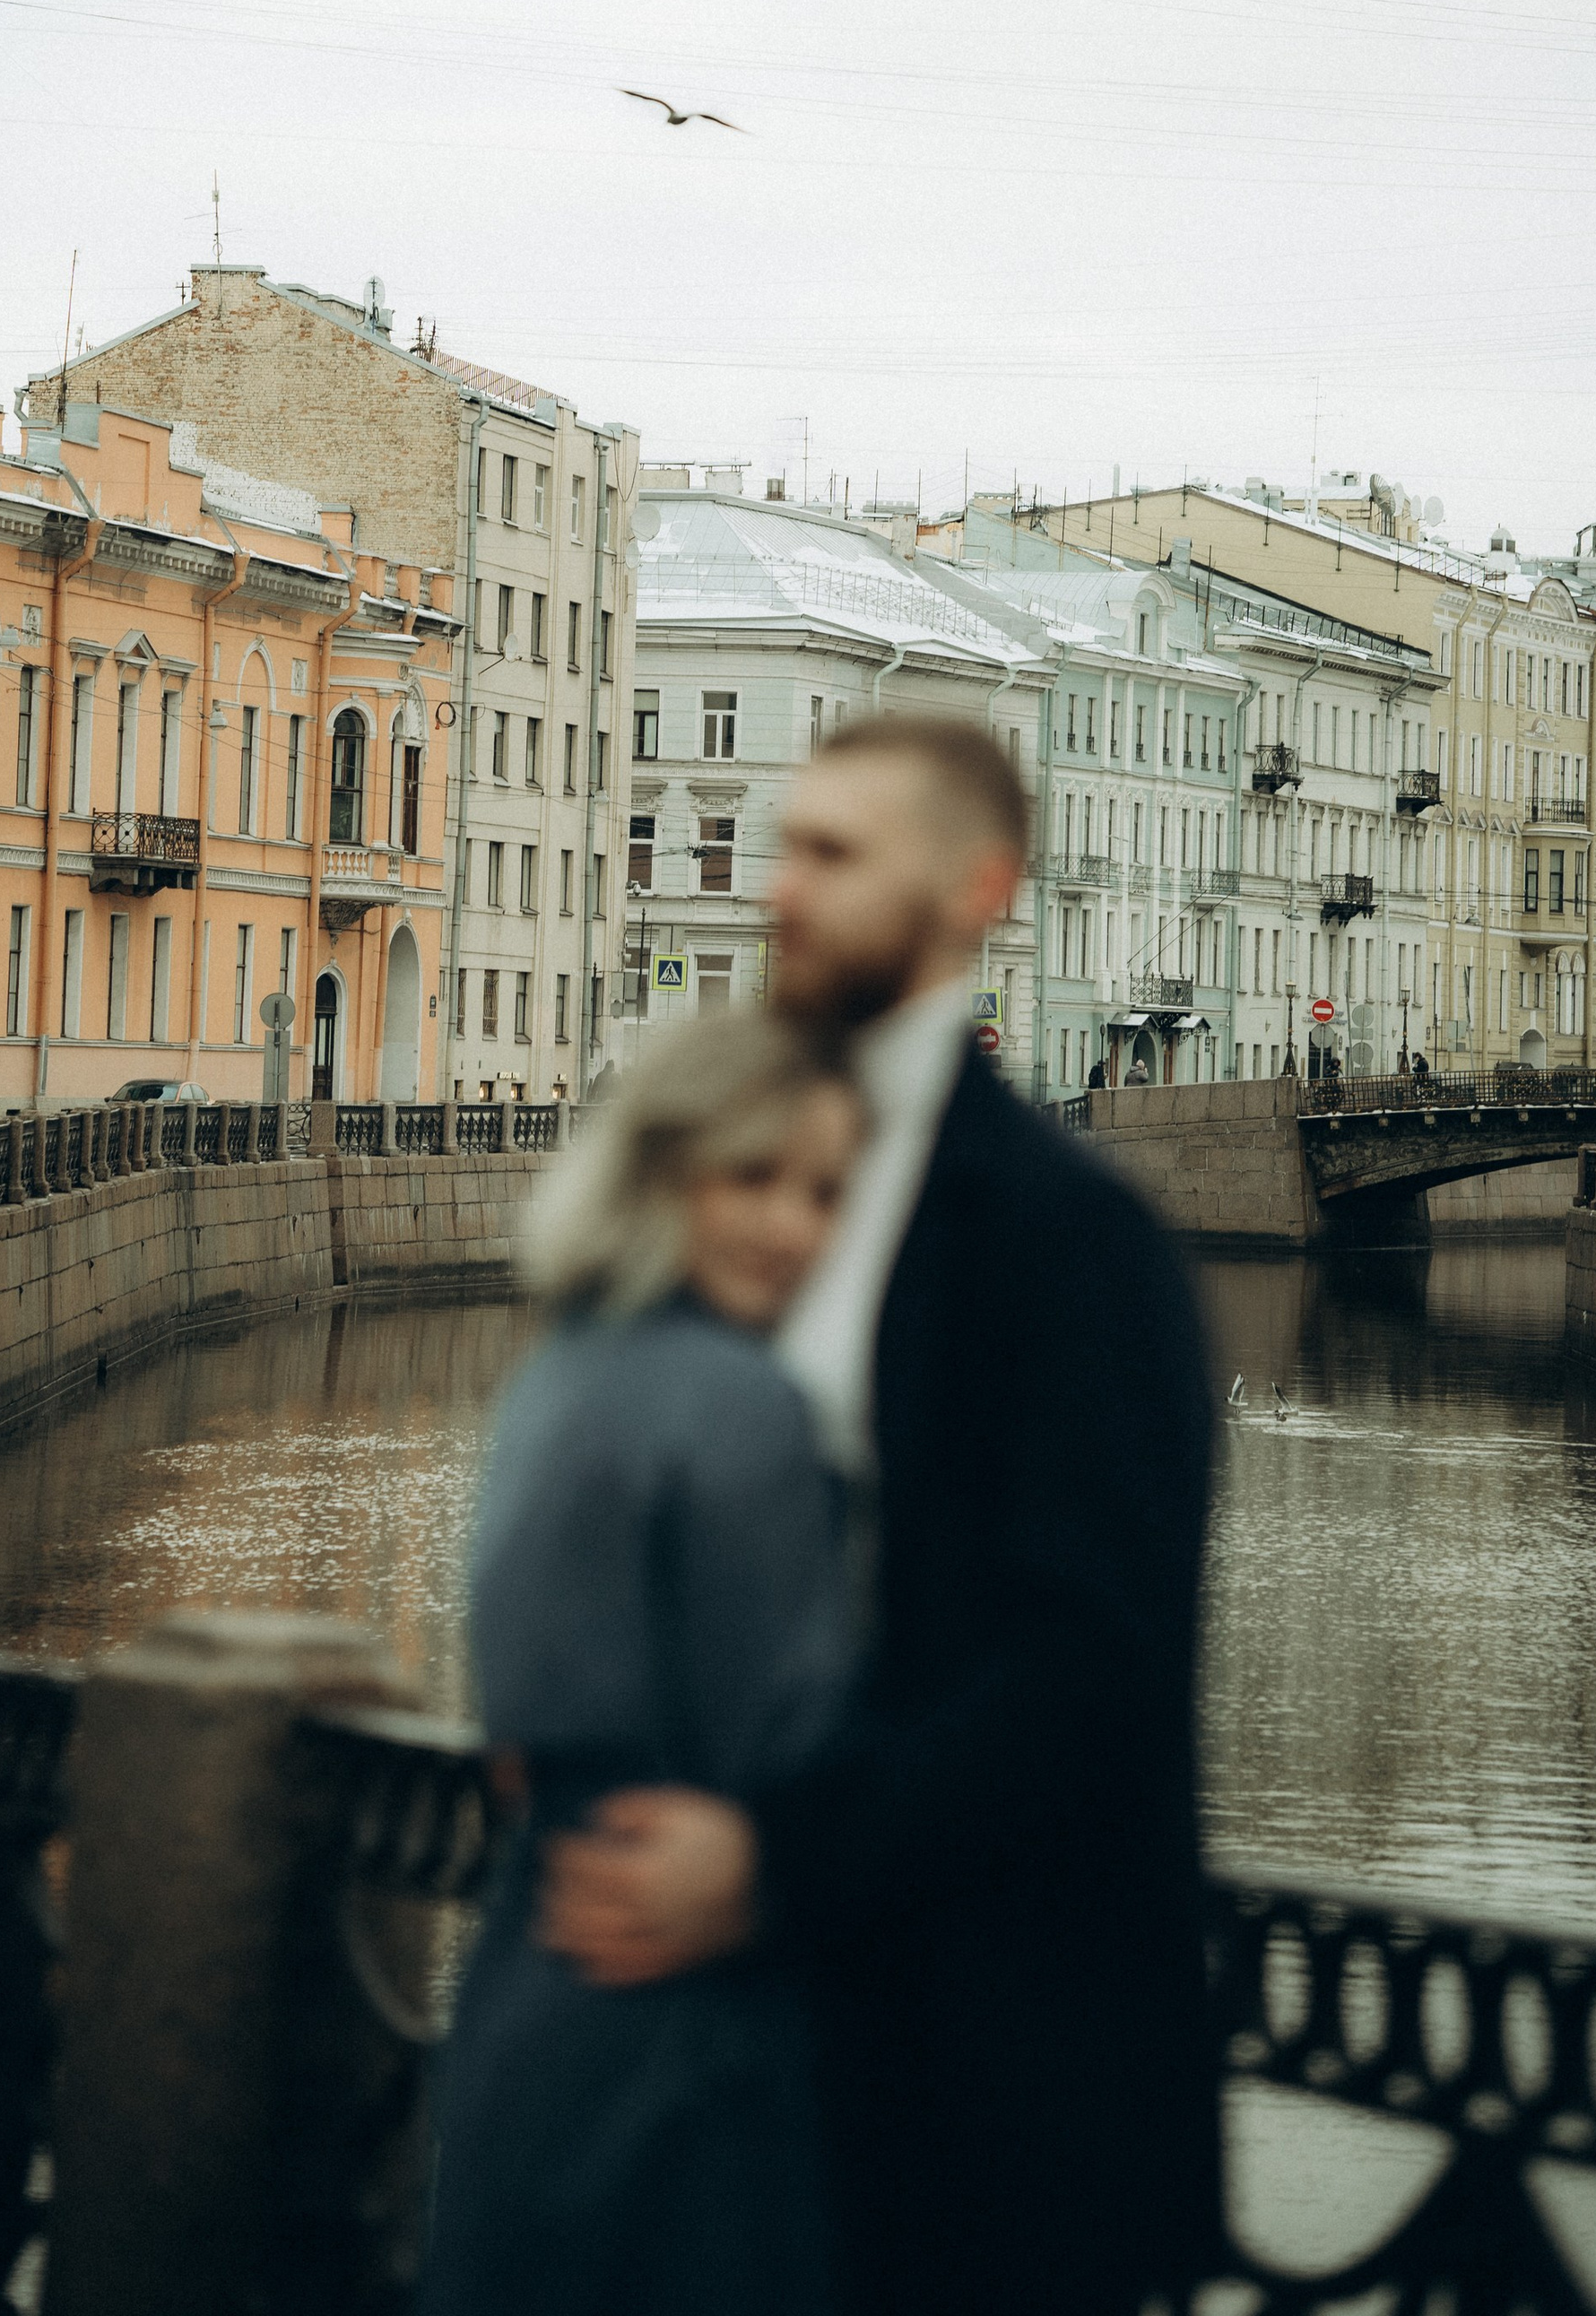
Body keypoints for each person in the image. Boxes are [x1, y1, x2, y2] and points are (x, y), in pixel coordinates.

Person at [542, 718, 1219, 2316]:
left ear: (977, 890)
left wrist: (773, 1862)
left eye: (835, 856)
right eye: (784, 846)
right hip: (731, 2041)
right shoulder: (743, 1181)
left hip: (996, 2066)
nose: (780, 890)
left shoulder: (1074, 1240)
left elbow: (1088, 1671)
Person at [421, 1011, 864, 2316]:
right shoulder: (743, 1405)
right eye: (752, 1177)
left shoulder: (562, 1375)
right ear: (662, 1171)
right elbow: (792, 1750)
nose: (793, 1226)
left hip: (531, 1981)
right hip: (686, 2019)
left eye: (826, 1192)